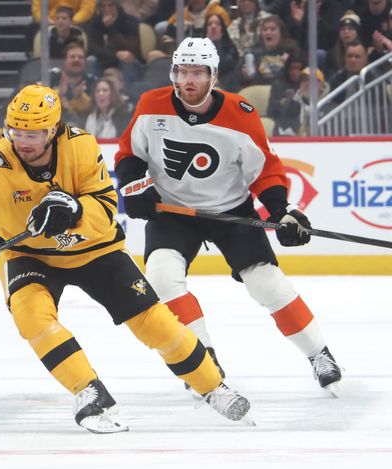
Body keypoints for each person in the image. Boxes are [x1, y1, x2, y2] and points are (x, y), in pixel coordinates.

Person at [0, 83, 252, 433]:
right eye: (16, 132)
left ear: (53, 129)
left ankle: (212, 387)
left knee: (155, 322)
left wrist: (73, 209)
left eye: (35, 133)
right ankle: (89, 392)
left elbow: (105, 207)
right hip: (30, 254)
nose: (24, 142)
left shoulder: (81, 145)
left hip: (95, 249)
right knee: (31, 317)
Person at [114, 38, 343, 398]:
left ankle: (320, 355)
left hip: (230, 211)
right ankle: (203, 362)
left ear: (213, 75)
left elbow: (265, 170)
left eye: (197, 73)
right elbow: (129, 155)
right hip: (173, 213)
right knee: (161, 276)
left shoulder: (241, 113)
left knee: (267, 283)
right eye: (183, 72)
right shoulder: (150, 105)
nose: (188, 80)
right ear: (174, 73)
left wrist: (282, 212)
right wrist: (135, 188)